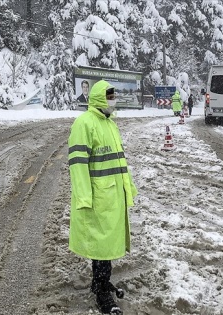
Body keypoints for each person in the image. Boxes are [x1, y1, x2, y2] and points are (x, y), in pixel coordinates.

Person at [68, 79, 138, 315]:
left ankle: (102, 280)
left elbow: (120, 163)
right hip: (98, 198)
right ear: (99, 98)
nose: (113, 100)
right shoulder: (84, 123)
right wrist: (84, 197)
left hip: (112, 197)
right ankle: (100, 291)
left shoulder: (109, 124)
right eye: (109, 96)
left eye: (113, 95)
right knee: (100, 246)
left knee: (107, 245)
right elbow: (78, 165)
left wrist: (129, 188)